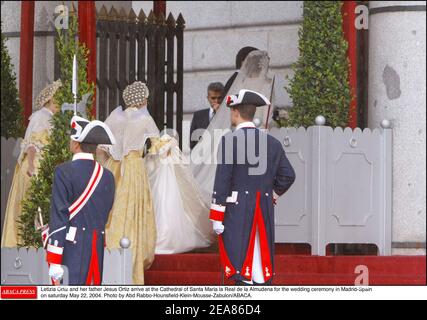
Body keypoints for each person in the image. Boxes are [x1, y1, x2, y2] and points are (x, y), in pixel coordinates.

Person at [209, 89, 296, 285]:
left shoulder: (229, 140)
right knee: (260, 262)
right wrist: (270, 194)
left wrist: (216, 217)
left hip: (237, 211)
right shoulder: (272, 142)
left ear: (236, 112)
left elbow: (223, 179)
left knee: (240, 263)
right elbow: (288, 175)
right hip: (263, 210)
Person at [96, 81, 158, 285]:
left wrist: (102, 170)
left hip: (114, 169)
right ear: (142, 100)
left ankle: (108, 258)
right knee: (133, 213)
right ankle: (130, 265)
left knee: (112, 212)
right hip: (133, 169)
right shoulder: (144, 119)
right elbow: (157, 147)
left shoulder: (114, 117)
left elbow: (101, 149)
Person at [45, 115, 116, 285]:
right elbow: (104, 214)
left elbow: (60, 216)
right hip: (96, 248)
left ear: (76, 143)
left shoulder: (63, 172)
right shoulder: (108, 176)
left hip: (71, 249)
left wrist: (54, 259)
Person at [1, 80, 62, 247]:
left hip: (40, 167)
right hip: (34, 168)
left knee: (37, 206)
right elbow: (31, 145)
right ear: (49, 100)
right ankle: (28, 243)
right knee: (33, 206)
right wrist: (31, 166)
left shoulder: (49, 117)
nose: (59, 103)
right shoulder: (41, 116)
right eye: (57, 99)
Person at [189, 82, 225, 150]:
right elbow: (192, 143)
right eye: (213, 98)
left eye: (219, 98)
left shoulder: (229, 115)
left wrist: (219, 114)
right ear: (208, 98)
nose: (216, 101)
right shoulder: (198, 116)